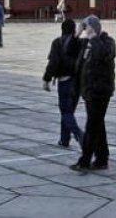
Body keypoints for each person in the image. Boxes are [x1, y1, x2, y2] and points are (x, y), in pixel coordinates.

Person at [70, 15, 115, 173]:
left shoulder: (107, 42)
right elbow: (68, 49)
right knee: (98, 124)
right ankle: (102, 158)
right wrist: (77, 33)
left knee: (92, 126)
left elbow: (103, 54)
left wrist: (93, 37)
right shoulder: (85, 43)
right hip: (88, 90)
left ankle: (85, 160)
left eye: (88, 27)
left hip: (100, 91)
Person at [42, 18, 84, 148]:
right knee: (68, 111)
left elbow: (53, 62)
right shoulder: (80, 43)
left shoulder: (57, 42)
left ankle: (79, 134)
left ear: (62, 29)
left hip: (64, 81)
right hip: (77, 82)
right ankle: (64, 139)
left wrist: (46, 79)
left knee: (65, 112)